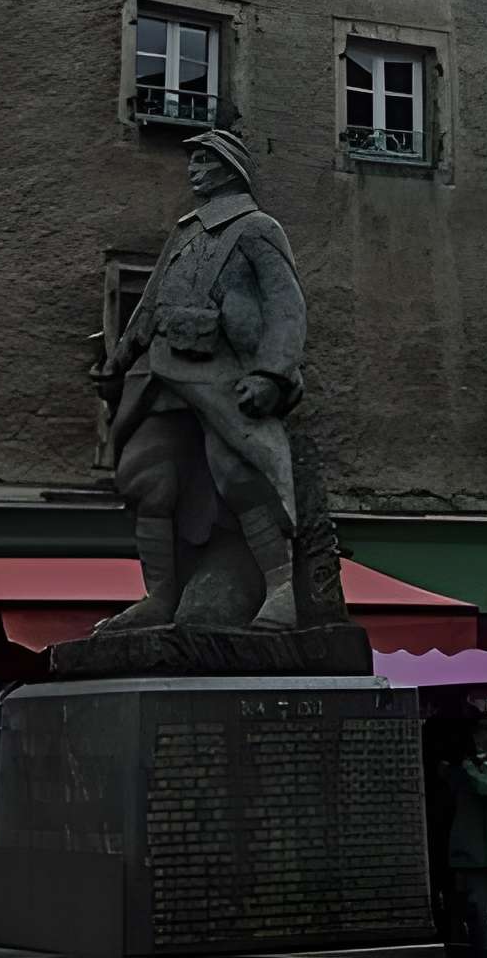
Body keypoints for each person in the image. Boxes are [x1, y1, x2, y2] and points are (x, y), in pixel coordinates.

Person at [93, 130, 309, 630]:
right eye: (192, 160)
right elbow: (150, 304)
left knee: (241, 474)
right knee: (146, 478)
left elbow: (286, 305)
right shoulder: (186, 231)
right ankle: (159, 597)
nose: (192, 169)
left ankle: (282, 590)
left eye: (204, 161)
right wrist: (118, 361)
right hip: (164, 373)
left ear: (231, 170)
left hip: (223, 371)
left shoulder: (256, 228)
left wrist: (270, 374)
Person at [445, 718, 487, 951]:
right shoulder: (484, 763)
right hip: (472, 851)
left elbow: (485, 786)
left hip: (482, 852)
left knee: (484, 911)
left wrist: (467, 765)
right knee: (476, 910)